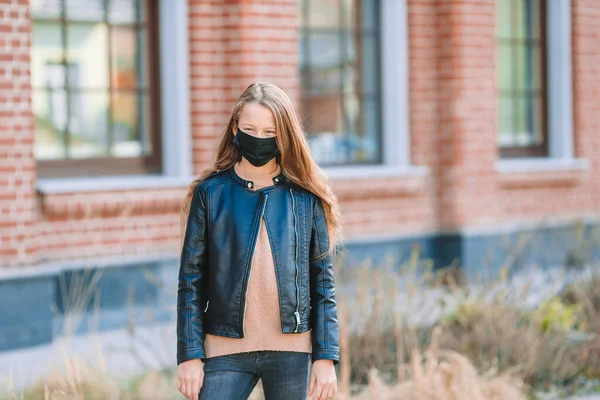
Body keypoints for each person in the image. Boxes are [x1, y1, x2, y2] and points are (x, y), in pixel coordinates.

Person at [176, 81, 342, 400]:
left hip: (292, 351)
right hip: (224, 348)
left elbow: (323, 283)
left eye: (270, 132)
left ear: (284, 135)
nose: (259, 139)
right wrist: (189, 354)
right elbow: (191, 281)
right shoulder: (210, 194)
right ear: (235, 127)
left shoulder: (306, 196)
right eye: (251, 129)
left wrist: (325, 357)